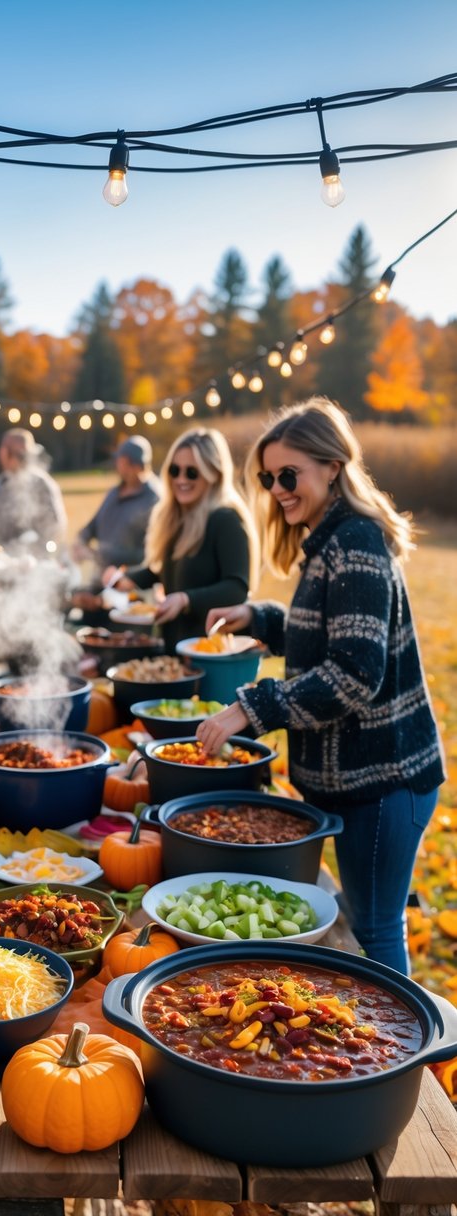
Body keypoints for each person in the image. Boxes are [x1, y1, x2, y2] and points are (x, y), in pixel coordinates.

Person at [196, 398, 445, 975]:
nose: (278, 489)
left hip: (385, 781)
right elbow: (329, 639)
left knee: (376, 928)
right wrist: (260, 619)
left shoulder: (356, 542)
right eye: (268, 477)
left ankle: (402, 1059)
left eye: (289, 475)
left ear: (332, 467)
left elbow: (354, 674)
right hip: (357, 781)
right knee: (364, 918)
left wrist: (249, 709)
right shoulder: (328, 541)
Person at [104, 426, 257, 651]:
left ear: (213, 474)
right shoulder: (179, 517)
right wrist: (127, 579)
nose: (181, 479)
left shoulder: (225, 519)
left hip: (209, 653)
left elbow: (237, 587)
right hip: (175, 648)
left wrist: (186, 599)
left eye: (192, 472)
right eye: (175, 470)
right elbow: (167, 570)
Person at [72, 435, 161, 578]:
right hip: (101, 578)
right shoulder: (114, 492)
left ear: (137, 466)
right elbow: (94, 525)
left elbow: (150, 552)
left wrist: (98, 554)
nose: (117, 466)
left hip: (130, 584)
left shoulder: (154, 498)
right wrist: (80, 540)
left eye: (122, 462)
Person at [0, 428, 68, 553]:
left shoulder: (41, 484)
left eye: (25, 456)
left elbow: (55, 529)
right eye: (20, 456)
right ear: (3, 453)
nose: (23, 461)